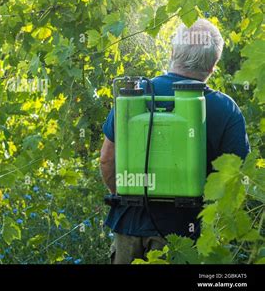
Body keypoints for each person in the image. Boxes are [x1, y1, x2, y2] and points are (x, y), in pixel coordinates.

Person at [99, 19, 250, 264]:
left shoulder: (133, 98)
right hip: (186, 234)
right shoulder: (225, 109)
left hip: (130, 228)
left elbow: (107, 160)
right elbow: (235, 178)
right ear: (213, 65)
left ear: (172, 53)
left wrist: (128, 194)